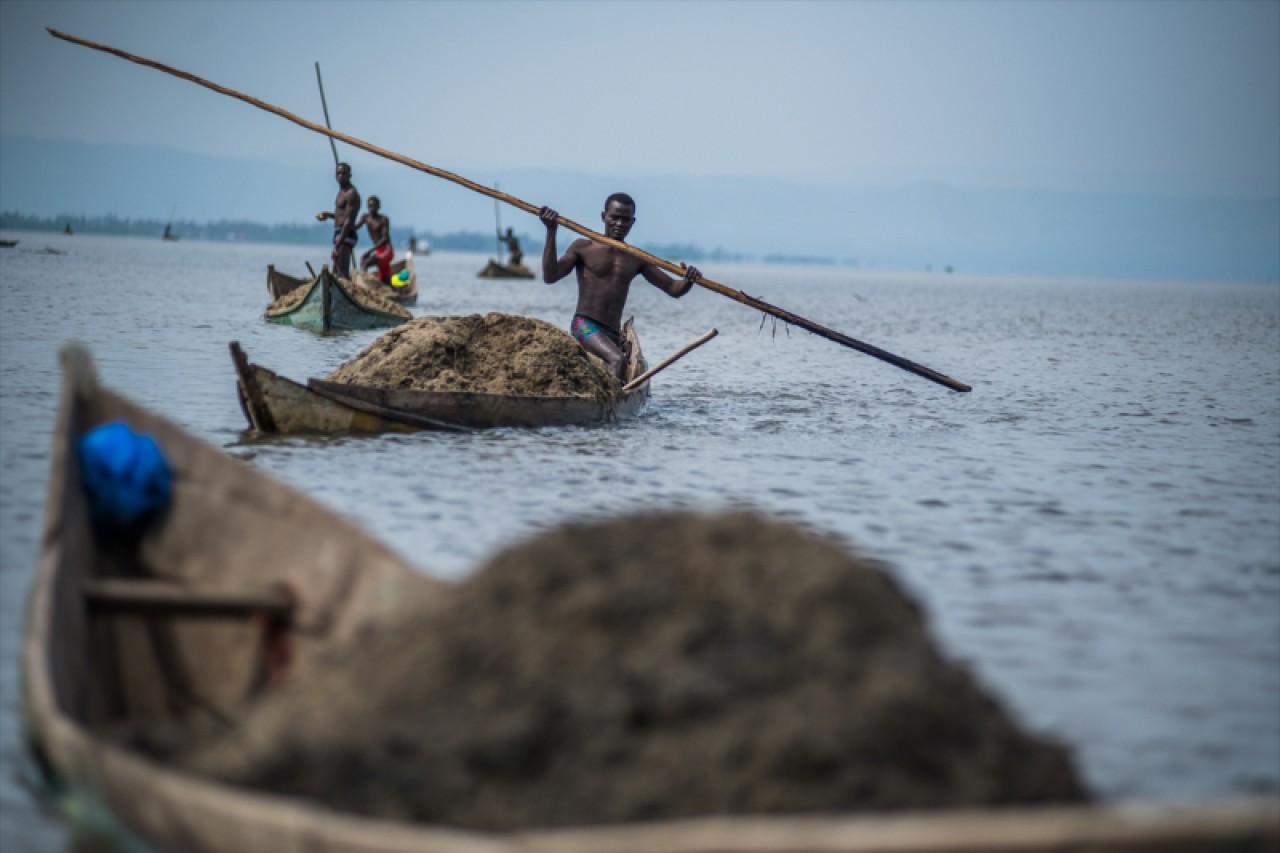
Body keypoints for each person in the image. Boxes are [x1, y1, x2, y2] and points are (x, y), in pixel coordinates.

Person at [539, 193, 701, 380]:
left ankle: (610, 392)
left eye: (625, 219)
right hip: (584, 325)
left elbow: (673, 288)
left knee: (618, 362)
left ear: (632, 222)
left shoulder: (635, 258)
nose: (619, 223)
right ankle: (610, 407)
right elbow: (550, 276)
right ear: (603, 217)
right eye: (614, 217)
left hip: (612, 333)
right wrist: (551, 231)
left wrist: (689, 279)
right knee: (617, 360)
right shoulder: (583, 247)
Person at [315, 162, 361, 279]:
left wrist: (338, 244)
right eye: (338, 173)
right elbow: (340, 216)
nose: (341, 176)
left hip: (346, 234)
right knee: (336, 269)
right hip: (338, 232)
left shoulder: (352, 194)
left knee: (342, 273)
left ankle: (345, 290)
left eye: (344, 173)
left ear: (350, 175)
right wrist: (328, 215)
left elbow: (349, 221)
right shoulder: (340, 192)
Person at [356, 195, 394, 283]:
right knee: (385, 278)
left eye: (374, 206)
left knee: (366, 262)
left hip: (386, 250)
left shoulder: (383, 219)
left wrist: (370, 251)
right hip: (378, 250)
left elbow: (385, 238)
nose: (371, 208)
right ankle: (389, 287)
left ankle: (364, 285)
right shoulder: (365, 217)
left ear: (378, 207)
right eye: (370, 206)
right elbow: (355, 226)